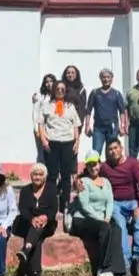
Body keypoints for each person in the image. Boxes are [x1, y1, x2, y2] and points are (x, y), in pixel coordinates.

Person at [67, 151, 126, 276]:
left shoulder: (106, 182)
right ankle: (102, 268)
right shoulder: (83, 182)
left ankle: (114, 270)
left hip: (101, 218)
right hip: (82, 219)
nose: (94, 167)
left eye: (96, 164)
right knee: (105, 227)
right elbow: (85, 206)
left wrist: (107, 217)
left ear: (100, 164)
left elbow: (110, 202)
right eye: (91, 165)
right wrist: (102, 219)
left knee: (116, 228)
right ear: (87, 167)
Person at [99, 138, 139, 276]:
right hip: (115, 203)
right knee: (120, 227)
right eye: (110, 149)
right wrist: (79, 181)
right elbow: (89, 172)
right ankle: (125, 264)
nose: (113, 151)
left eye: (116, 148)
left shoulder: (132, 163)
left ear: (121, 148)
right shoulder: (105, 167)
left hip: (132, 202)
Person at [12, 164, 59, 276]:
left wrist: (46, 217)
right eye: (35, 174)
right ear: (31, 176)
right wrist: (32, 218)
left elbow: (54, 209)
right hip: (29, 224)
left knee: (38, 228)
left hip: (47, 224)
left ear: (45, 177)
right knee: (36, 240)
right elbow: (22, 209)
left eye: (40, 174)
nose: (37, 177)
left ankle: (26, 251)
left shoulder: (51, 189)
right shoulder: (25, 191)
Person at [39, 81, 81, 213]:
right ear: (54, 90)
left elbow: (75, 125)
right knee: (52, 175)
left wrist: (77, 141)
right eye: (58, 89)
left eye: (63, 89)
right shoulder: (46, 106)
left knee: (66, 174)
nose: (60, 91)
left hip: (68, 143)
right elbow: (40, 124)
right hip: (52, 143)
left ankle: (66, 204)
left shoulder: (70, 106)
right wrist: (43, 140)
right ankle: (52, 204)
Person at [85, 68, 128, 155]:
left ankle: (110, 169)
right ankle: (95, 168)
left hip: (112, 128)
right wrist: (87, 126)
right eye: (104, 77)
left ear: (112, 79)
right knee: (96, 152)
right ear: (100, 79)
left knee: (112, 152)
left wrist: (122, 126)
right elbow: (88, 111)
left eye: (108, 77)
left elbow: (122, 111)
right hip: (98, 128)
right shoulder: (95, 93)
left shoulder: (117, 94)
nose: (106, 79)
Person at [31, 73, 57, 162]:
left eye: (51, 81)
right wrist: (37, 129)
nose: (49, 84)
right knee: (42, 152)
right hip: (41, 127)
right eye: (47, 82)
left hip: (53, 128)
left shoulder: (57, 96)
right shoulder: (40, 96)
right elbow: (35, 112)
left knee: (53, 152)